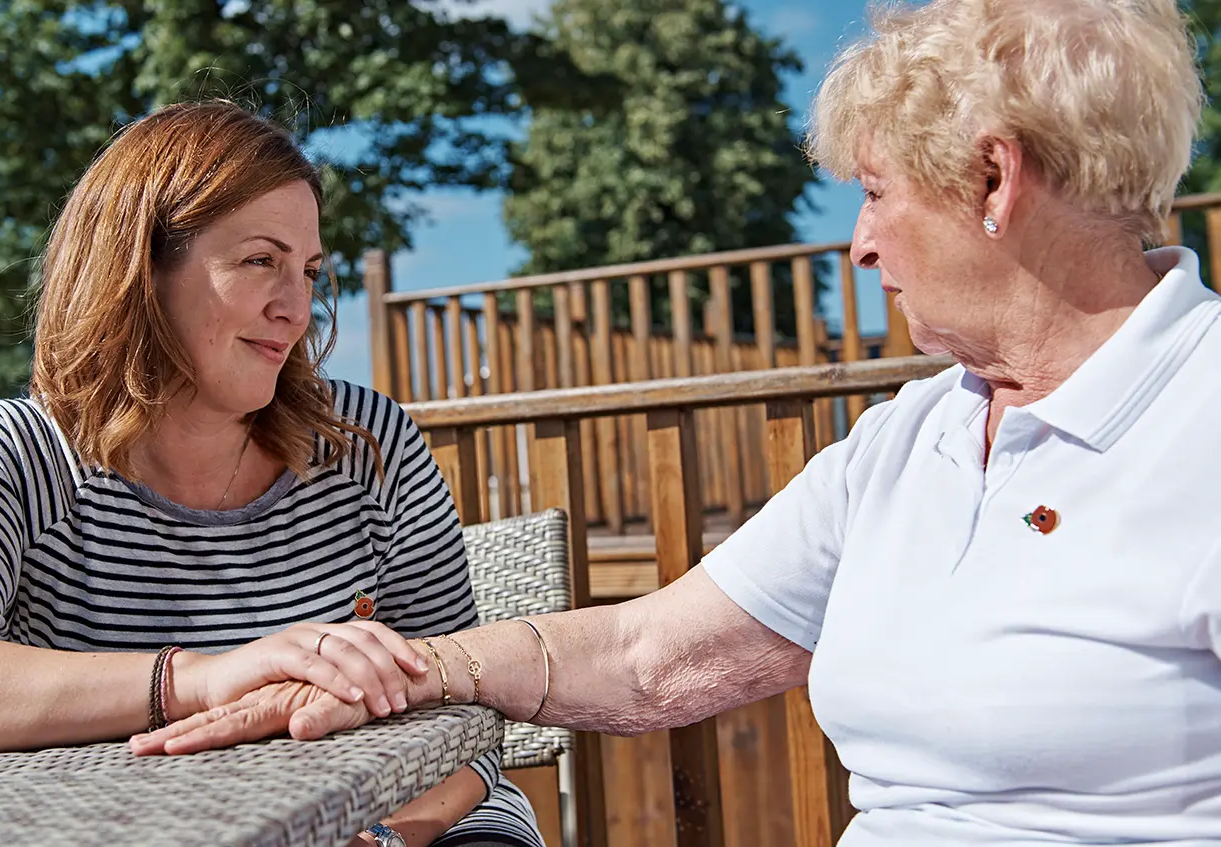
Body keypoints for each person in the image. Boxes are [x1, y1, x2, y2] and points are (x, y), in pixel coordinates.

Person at [133, 1, 1221, 843]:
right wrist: (395, 668)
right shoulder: (911, 441)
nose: (860, 246)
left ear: (993, 179)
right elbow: (652, 654)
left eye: (877, 192)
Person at [0, 101, 543, 847]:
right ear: (140, 269)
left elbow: (469, 716)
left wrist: (386, 834)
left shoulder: (367, 445)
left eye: (309, 271)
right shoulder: (17, 453)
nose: (297, 309)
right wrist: (196, 680)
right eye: (262, 260)